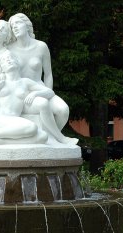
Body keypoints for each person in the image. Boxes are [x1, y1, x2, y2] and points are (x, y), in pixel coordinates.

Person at [8, 13, 78, 145]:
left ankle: (50, 137)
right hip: (20, 93)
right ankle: (54, 138)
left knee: (63, 110)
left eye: (17, 23)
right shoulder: (9, 49)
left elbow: (48, 74)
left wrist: (47, 92)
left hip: (40, 89)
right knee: (42, 105)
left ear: (27, 25)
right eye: (12, 26)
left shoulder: (41, 46)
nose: (14, 27)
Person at [0, 52, 65, 146]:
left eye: (10, 58)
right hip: (0, 119)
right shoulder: (0, 81)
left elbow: (50, 92)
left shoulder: (25, 82)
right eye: (4, 60)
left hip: (15, 120)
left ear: (17, 63)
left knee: (43, 137)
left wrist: (35, 93)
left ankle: (2, 142)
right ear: (2, 68)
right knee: (32, 128)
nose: (8, 60)